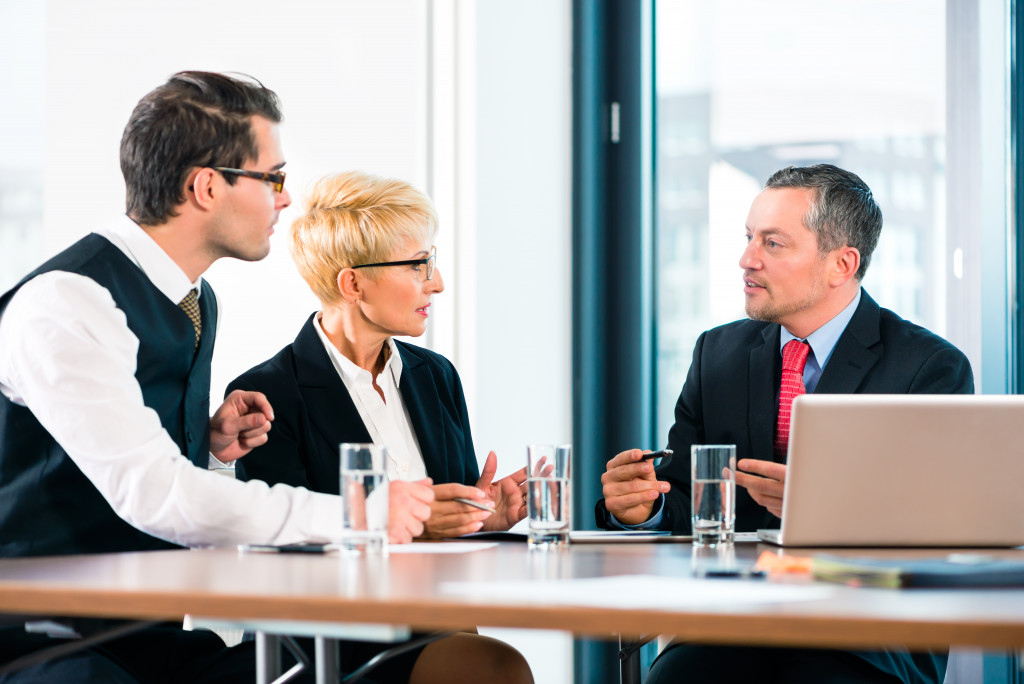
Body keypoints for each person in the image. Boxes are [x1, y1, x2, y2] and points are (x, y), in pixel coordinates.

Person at [0, 72, 432, 684]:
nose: (285, 199)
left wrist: (211, 448)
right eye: (273, 178)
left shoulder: (193, 301)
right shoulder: (68, 302)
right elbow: (156, 495)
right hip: (46, 643)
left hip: (142, 633)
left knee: (384, 667)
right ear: (206, 186)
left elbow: (158, 480)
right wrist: (356, 516)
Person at [597, 164, 972, 684]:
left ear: (842, 264)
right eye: (749, 238)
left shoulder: (927, 367)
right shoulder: (718, 352)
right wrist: (647, 507)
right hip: (730, 623)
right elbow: (686, 494)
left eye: (773, 243)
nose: (747, 259)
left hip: (865, 631)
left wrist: (823, 505)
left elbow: (943, 529)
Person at [226, 170, 533, 683]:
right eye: (419, 264)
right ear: (353, 283)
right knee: (495, 668)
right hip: (329, 643)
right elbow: (282, 558)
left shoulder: (434, 376)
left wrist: (481, 518)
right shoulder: (269, 395)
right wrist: (418, 532)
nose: (437, 282)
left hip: (437, 623)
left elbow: (448, 522)